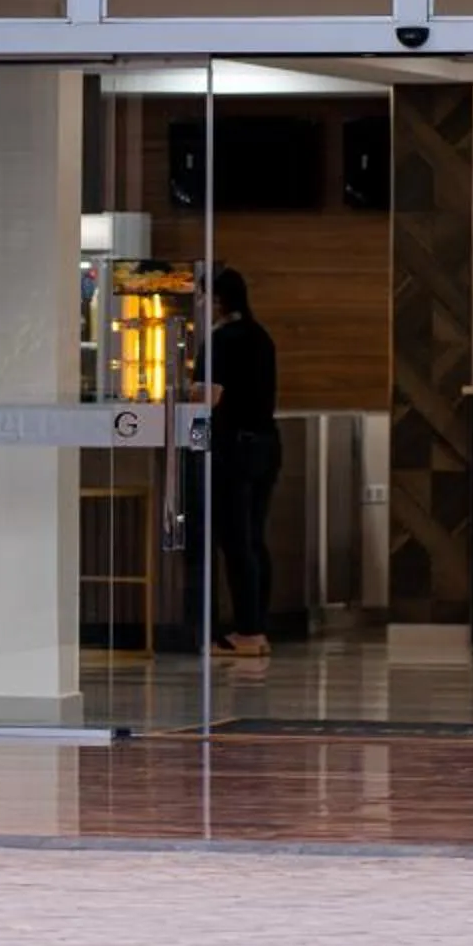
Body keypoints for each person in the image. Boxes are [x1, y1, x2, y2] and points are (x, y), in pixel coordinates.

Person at [189, 266, 281, 658]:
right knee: (255, 538)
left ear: (219, 300)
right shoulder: (262, 337)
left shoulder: (221, 341)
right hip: (267, 445)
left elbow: (206, 399)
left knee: (234, 540)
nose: (201, 304)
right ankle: (257, 629)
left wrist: (192, 441)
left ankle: (245, 630)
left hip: (233, 449)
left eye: (204, 296)